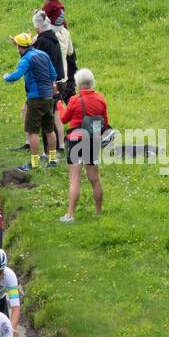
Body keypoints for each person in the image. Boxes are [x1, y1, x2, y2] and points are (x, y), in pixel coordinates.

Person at [3, 32, 58, 171]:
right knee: (49, 130)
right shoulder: (43, 54)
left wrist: (6, 77)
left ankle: (34, 163)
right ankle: (52, 160)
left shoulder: (26, 59)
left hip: (36, 99)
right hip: (48, 98)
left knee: (32, 132)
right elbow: (53, 74)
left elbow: (16, 75)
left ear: (19, 47)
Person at [59, 69, 108, 223]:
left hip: (76, 139)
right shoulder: (101, 99)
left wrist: (60, 106)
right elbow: (105, 122)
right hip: (93, 140)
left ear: (78, 83)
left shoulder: (75, 100)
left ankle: (70, 215)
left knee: (75, 179)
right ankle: (98, 212)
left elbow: (64, 119)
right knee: (94, 178)